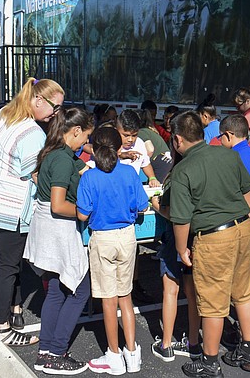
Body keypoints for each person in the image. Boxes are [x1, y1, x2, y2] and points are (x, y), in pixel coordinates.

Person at [0, 77, 64, 347]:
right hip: (12, 209)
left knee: (11, 262)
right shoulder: (32, 133)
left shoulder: (3, 113)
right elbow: (34, 174)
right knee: (8, 267)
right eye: (54, 107)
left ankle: (15, 310)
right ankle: (2, 328)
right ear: (38, 100)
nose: (55, 113)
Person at [169, 111, 250, 377]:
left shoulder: (183, 170)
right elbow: (247, 188)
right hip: (242, 227)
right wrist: (246, 216)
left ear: (177, 140)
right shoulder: (228, 154)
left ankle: (210, 363)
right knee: (244, 292)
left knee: (212, 302)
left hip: (213, 237)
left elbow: (181, 219)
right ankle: (249, 349)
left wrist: (180, 248)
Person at [25, 106, 93, 375]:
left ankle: (45, 351)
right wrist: (83, 213)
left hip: (44, 229)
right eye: (85, 136)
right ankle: (56, 352)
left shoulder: (56, 153)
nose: (85, 142)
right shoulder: (64, 159)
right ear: (75, 131)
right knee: (80, 290)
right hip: (59, 228)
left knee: (55, 289)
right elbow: (57, 204)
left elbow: (86, 170)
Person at [76, 126, 150, 375]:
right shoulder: (129, 172)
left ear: (93, 150)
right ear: (120, 149)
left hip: (103, 238)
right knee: (125, 297)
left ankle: (114, 355)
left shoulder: (89, 177)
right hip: (127, 237)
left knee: (109, 301)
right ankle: (133, 352)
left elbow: (82, 213)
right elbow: (142, 205)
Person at [218, 113, 250, 337]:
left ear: (229, 135)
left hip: (245, 217)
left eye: (221, 136)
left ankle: (242, 324)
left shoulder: (231, 158)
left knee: (240, 278)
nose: (219, 140)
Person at [149, 174, 202, 364]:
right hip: (194, 235)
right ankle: (194, 343)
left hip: (174, 237)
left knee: (170, 291)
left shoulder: (176, 177)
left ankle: (166, 344)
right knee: (192, 292)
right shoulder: (201, 175)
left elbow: (173, 213)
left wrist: (157, 205)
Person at [116, 109, 159, 186]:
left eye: (134, 135)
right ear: (117, 129)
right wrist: (121, 155)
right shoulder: (111, 142)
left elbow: (145, 164)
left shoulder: (139, 143)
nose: (130, 140)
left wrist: (152, 178)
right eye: (126, 135)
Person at [135, 108, 173, 183]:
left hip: (159, 163)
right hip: (166, 161)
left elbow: (150, 150)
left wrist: (142, 162)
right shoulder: (151, 130)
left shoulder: (141, 132)